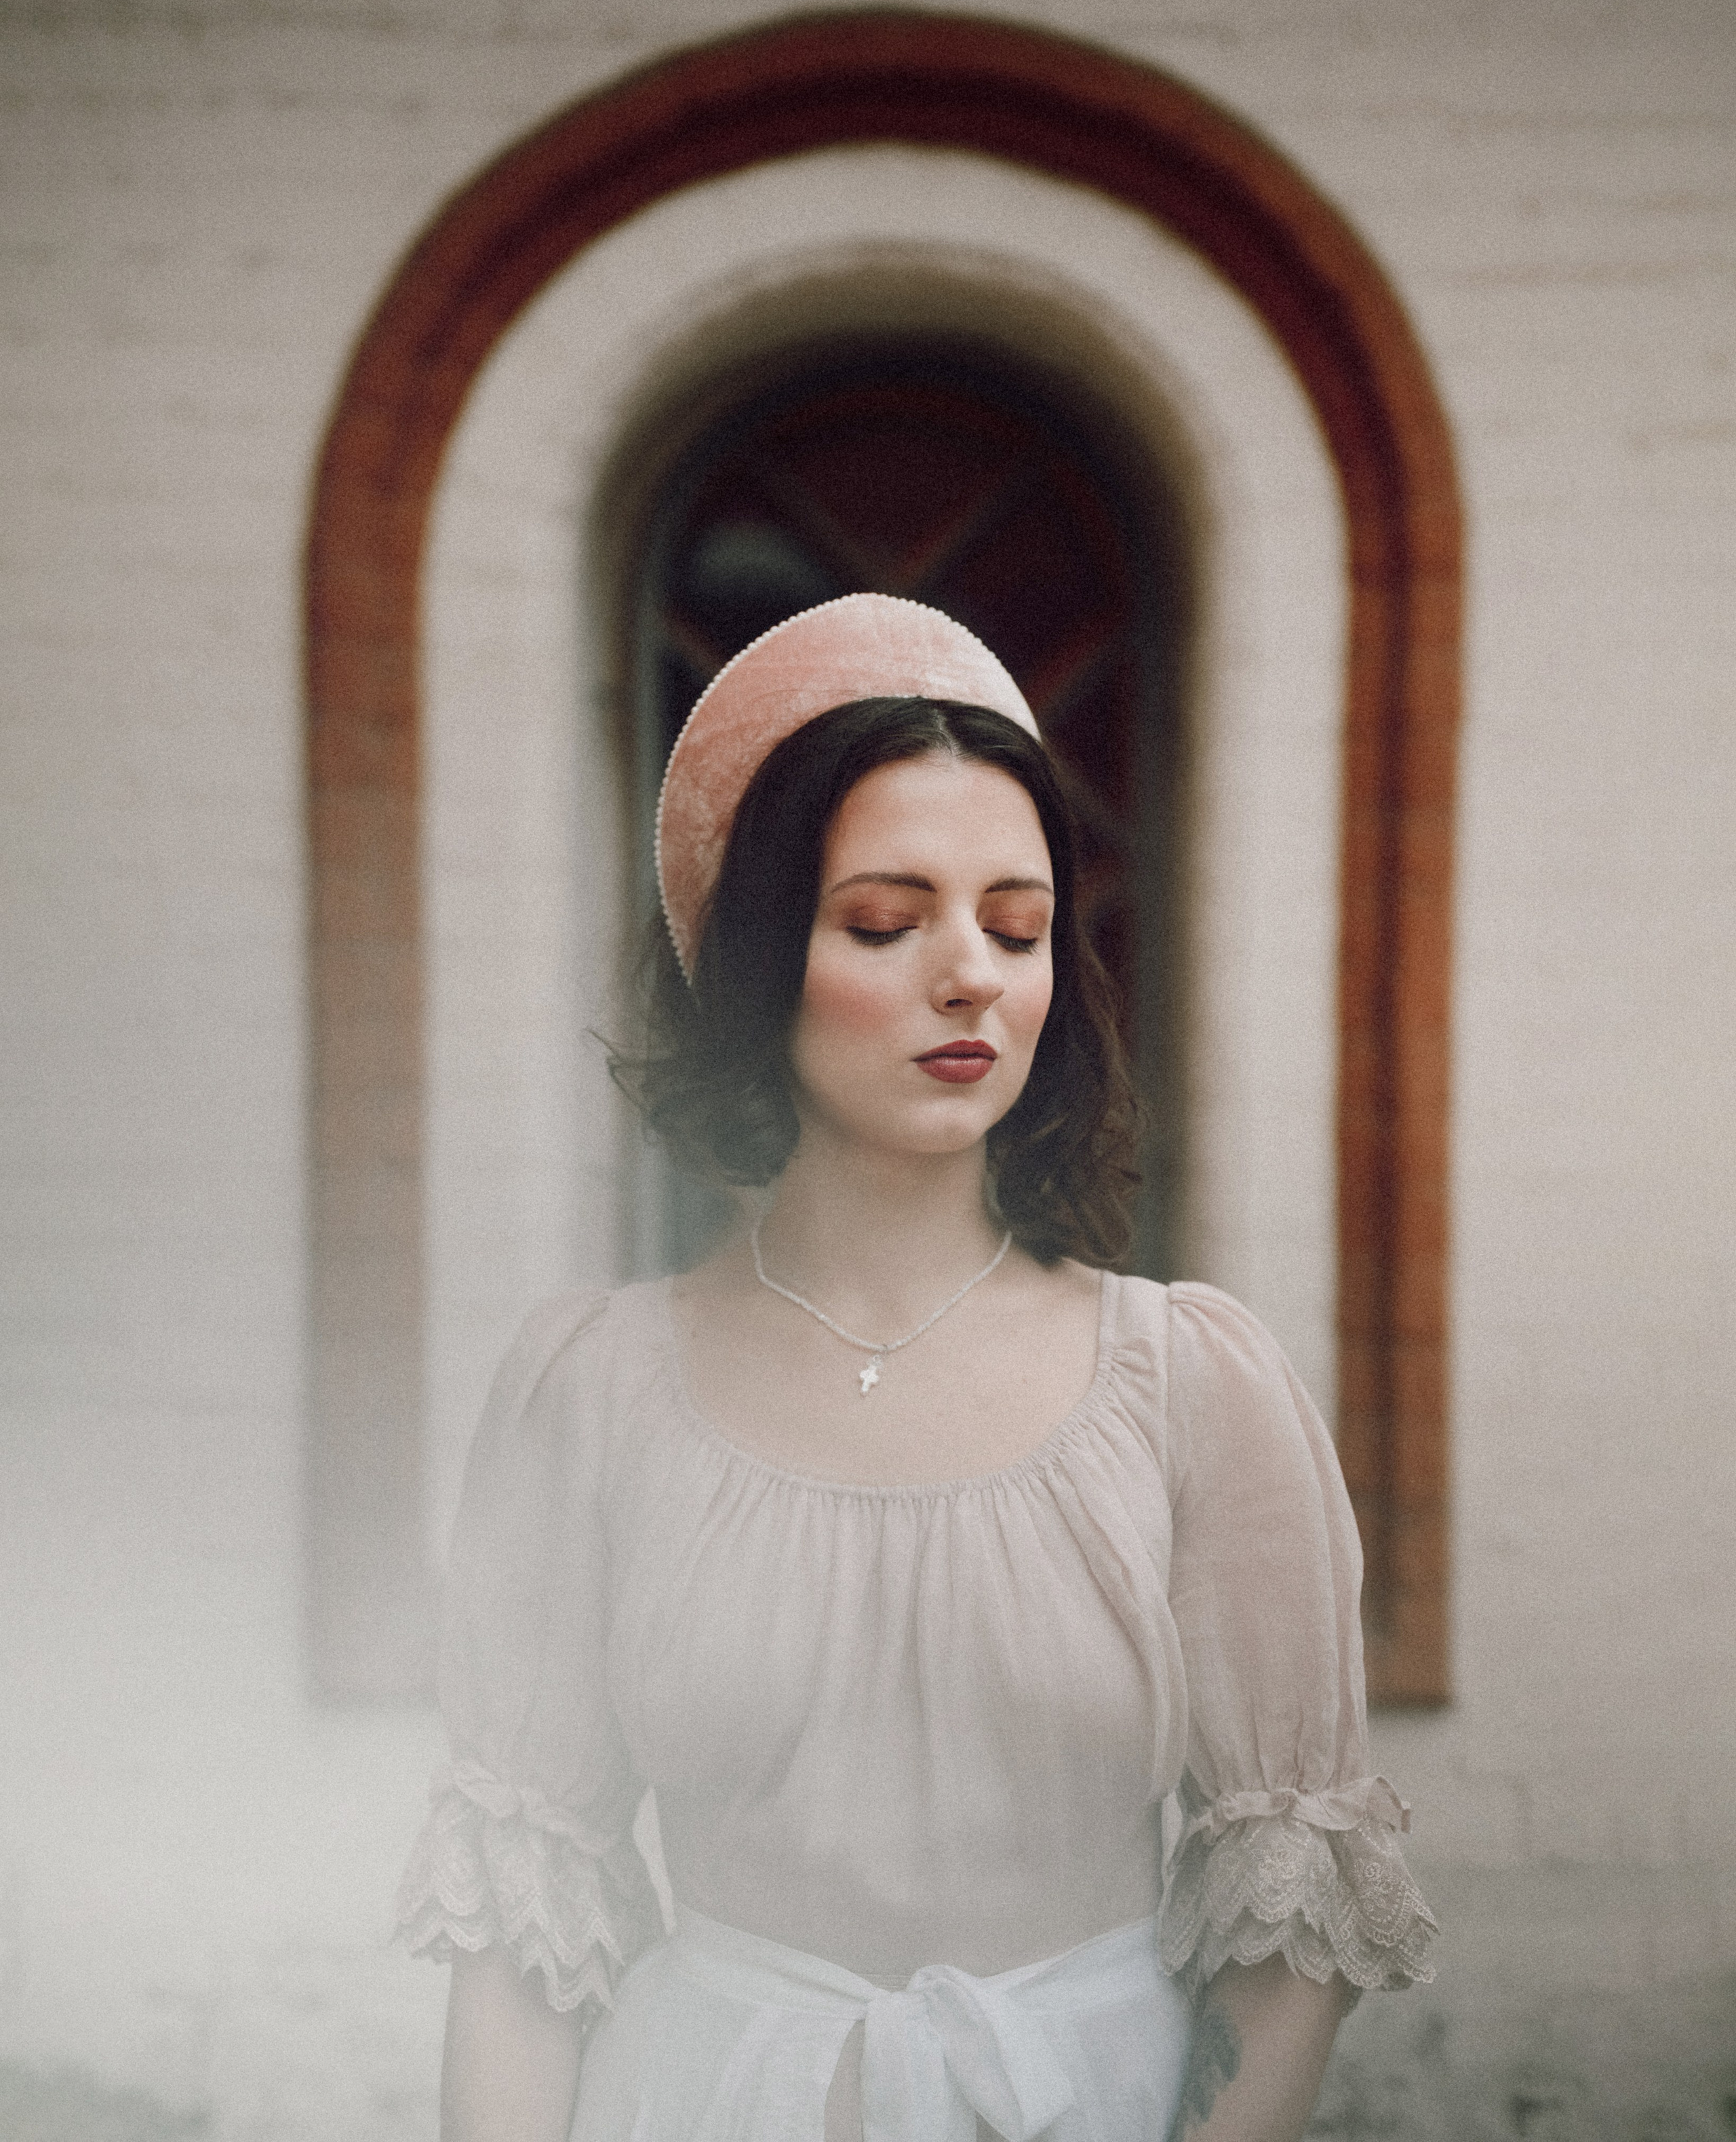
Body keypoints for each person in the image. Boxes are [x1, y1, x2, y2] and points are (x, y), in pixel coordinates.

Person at [397, 595, 1437, 2142]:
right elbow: (513, 1944)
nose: (970, 976)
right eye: (885, 921)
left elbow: (1283, 1943)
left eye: (1015, 927)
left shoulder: (1187, 1381)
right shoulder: (588, 1393)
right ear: (759, 962)